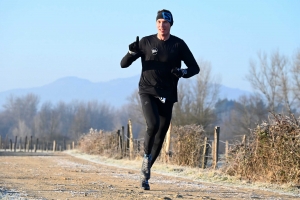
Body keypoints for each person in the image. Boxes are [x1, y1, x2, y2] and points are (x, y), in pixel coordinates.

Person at [120, 9, 200, 190]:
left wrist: (182, 72)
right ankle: (146, 159)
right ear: (155, 24)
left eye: (165, 23)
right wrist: (131, 52)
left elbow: (195, 68)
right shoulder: (146, 42)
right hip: (147, 90)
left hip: (168, 94)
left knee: (160, 136)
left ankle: (145, 175)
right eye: (159, 22)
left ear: (170, 25)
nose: (161, 26)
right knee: (153, 125)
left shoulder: (178, 45)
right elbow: (123, 64)